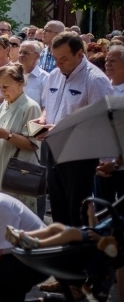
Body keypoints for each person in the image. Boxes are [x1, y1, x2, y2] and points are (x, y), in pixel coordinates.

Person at [34, 32, 113, 227]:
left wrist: (106, 161)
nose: (59, 64)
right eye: (55, 58)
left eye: (64, 59)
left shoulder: (96, 80)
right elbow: (48, 106)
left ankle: (79, 254)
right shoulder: (54, 75)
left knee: (78, 211)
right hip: (53, 150)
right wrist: (42, 120)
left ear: (79, 55)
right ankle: (62, 251)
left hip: (80, 157)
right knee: (58, 209)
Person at [0, 65, 42, 212]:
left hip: (16, 175)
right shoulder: (5, 104)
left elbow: (33, 144)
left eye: (6, 87)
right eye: (0, 87)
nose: (2, 91)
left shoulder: (31, 107)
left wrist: (6, 135)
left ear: (20, 84)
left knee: (16, 219)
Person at [18, 40, 48, 108]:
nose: (21, 55)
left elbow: (46, 106)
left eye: (26, 53)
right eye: (20, 52)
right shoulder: (14, 75)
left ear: (37, 56)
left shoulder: (45, 78)